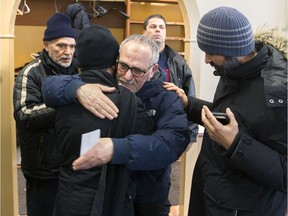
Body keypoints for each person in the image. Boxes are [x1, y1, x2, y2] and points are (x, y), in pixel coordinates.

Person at [42, 34, 190, 216]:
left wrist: (119, 148)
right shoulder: (99, 89)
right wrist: (76, 89)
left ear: (152, 70)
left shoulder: (166, 97)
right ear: (115, 62)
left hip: (148, 196)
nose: (127, 76)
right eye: (123, 66)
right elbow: (49, 86)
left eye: (138, 71)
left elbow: (172, 142)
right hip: (111, 195)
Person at [163, 6, 287, 216]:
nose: (206, 60)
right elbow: (233, 118)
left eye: (211, 53)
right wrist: (189, 105)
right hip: (215, 198)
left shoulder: (278, 92)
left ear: (233, 49)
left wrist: (236, 144)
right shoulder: (234, 70)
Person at [53, 25, 154, 216]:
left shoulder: (62, 98)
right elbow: (147, 151)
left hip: (68, 197)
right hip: (111, 200)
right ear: (114, 63)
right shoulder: (129, 102)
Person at [13, 13, 78, 216]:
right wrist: (65, 106)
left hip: (71, 163)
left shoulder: (76, 70)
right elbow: (24, 114)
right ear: (46, 45)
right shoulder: (31, 73)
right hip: (42, 169)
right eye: (61, 45)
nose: (68, 52)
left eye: (72, 46)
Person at [143, 13, 198, 143]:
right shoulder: (136, 58)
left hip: (168, 124)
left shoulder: (179, 63)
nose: (158, 30)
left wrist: (192, 134)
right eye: (153, 26)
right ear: (144, 32)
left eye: (162, 27)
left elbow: (190, 97)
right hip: (140, 122)